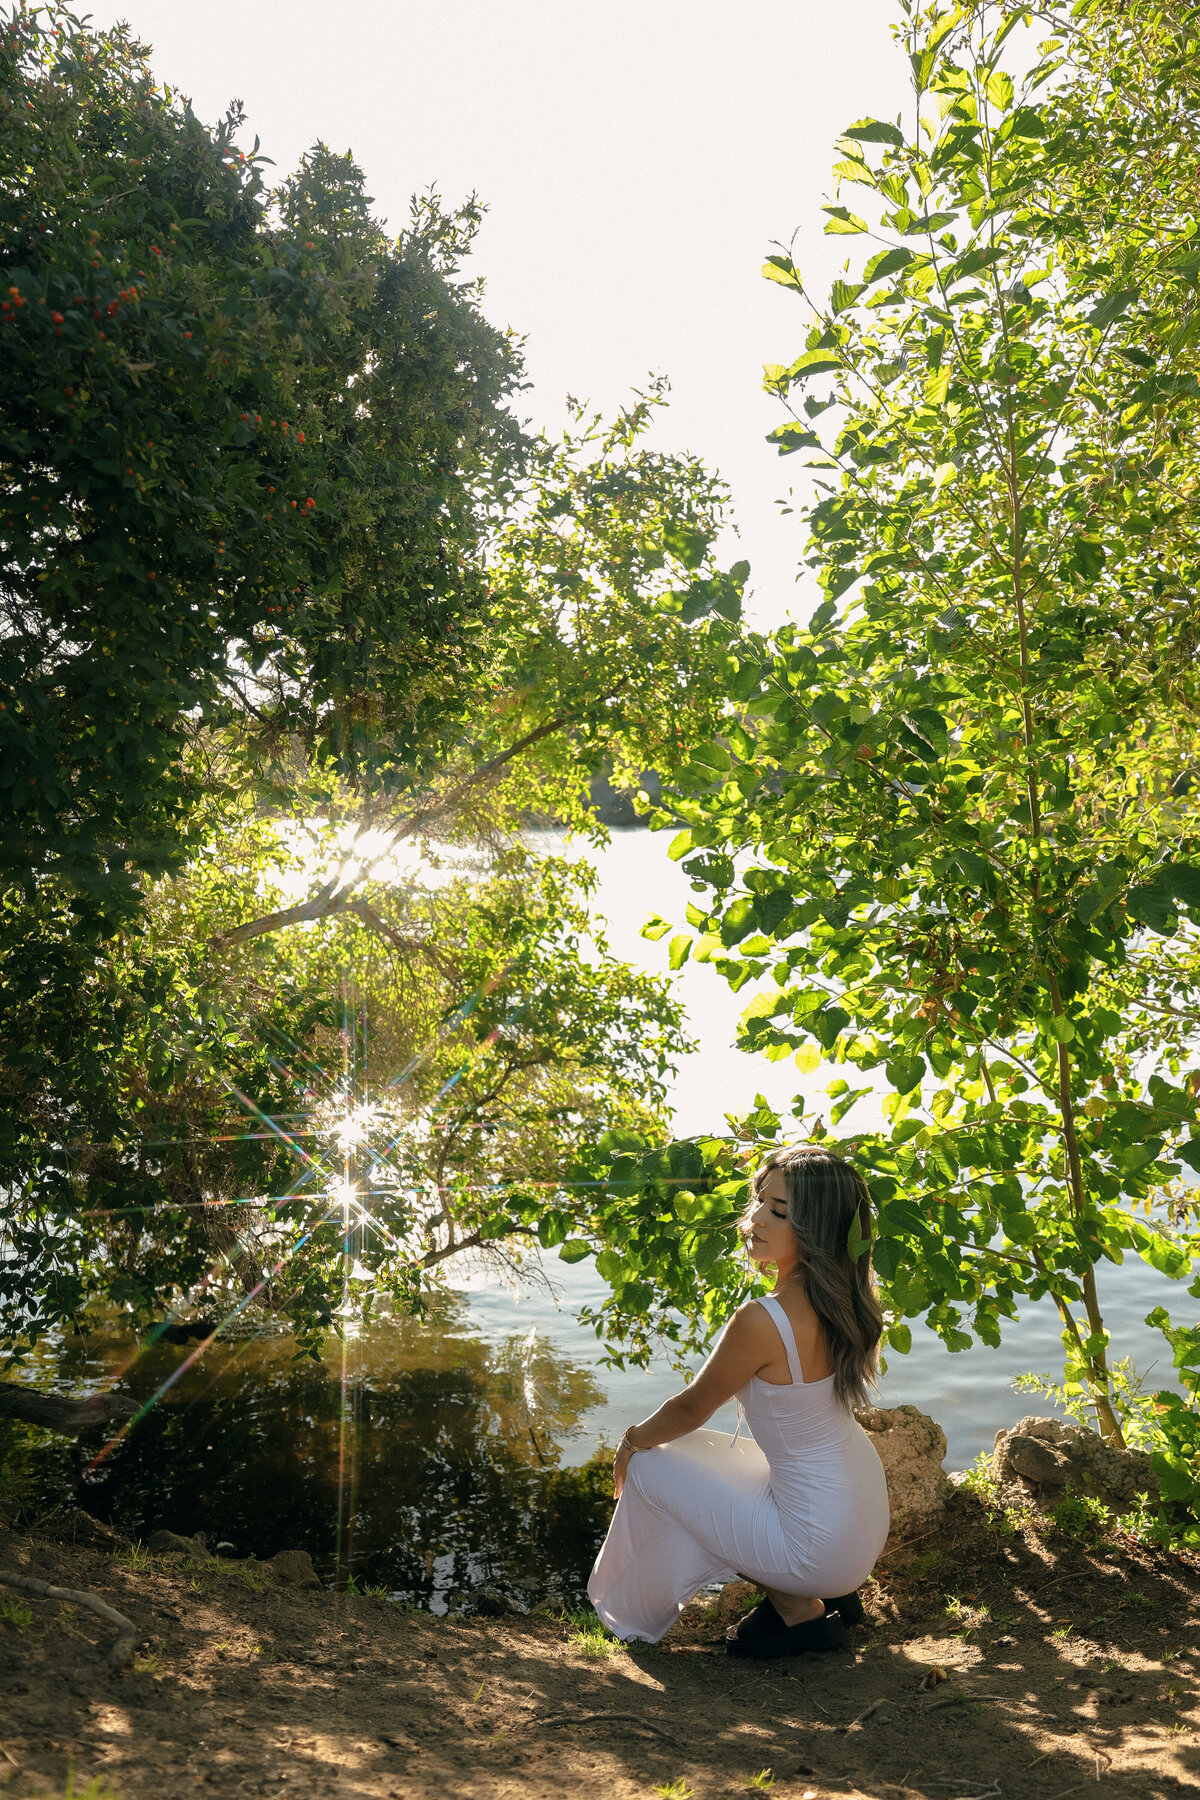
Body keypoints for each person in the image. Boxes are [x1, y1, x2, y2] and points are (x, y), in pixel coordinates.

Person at [587, 1143, 890, 1657]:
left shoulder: (764, 1319)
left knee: (648, 1465)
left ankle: (799, 1610)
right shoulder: (848, 1304)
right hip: (859, 1519)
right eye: (757, 1201)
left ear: (816, 1228)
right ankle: (809, 1599)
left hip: (821, 1546)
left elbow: (690, 1407)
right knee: (692, 1455)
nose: (754, 1219)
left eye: (778, 1211)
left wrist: (629, 1442)